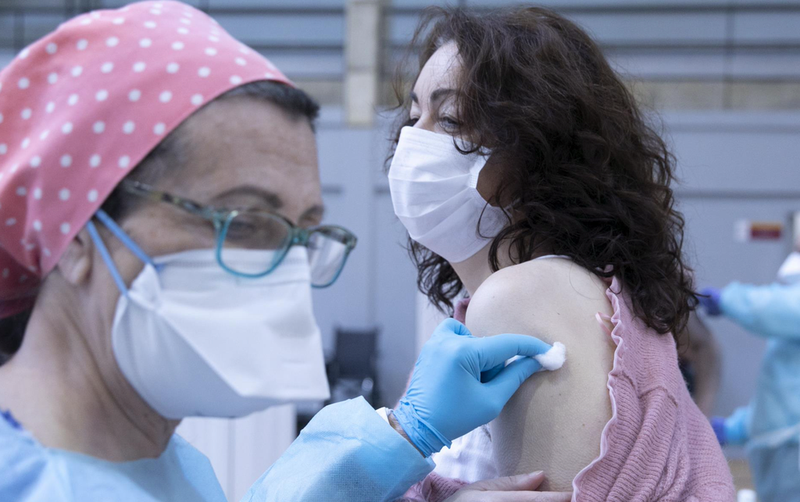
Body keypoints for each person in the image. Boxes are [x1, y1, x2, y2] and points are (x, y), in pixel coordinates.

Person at [0, 3, 569, 501]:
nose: (283, 278)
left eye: (302, 235)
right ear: (76, 232)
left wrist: (407, 435)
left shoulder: (161, 465)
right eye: (246, 222)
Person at [386, 6, 735, 500]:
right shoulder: (569, 293)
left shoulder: (525, 296)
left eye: (450, 119)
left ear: (539, 151)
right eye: (412, 115)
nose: (411, 142)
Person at [701, 249, 800, 502]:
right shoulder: (789, 348)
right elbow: (782, 399)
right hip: (781, 450)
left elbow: (775, 309)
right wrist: (735, 429)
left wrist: (728, 301)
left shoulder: (792, 311)